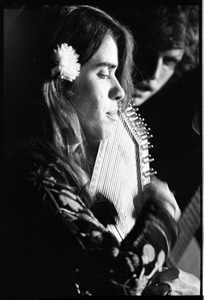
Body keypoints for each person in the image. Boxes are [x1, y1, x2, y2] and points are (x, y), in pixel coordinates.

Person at [2, 5, 200, 299]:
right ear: (61, 81)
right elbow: (121, 280)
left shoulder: (59, 171)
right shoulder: (36, 175)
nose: (120, 91)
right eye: (105, 73)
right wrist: (162, 216)